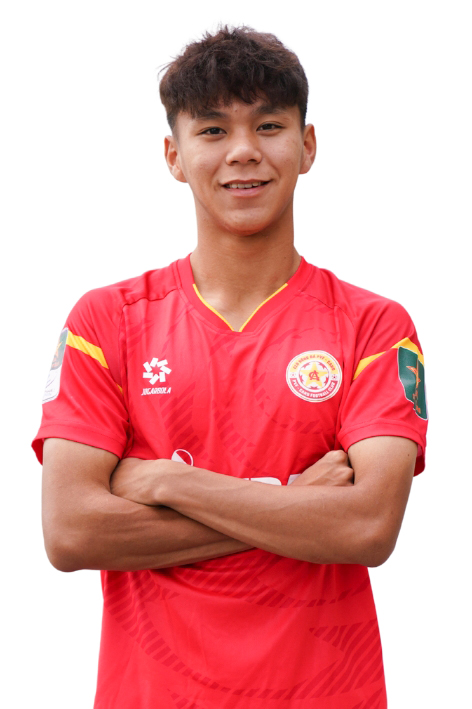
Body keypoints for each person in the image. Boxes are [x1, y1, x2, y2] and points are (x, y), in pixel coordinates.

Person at [33, 26, 428, 709]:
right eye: (213, 130)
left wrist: (168, 481)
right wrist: (295, 502)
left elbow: (366, 528)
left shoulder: (375, 327)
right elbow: (71, 532)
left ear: (308, 146)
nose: (244, 150)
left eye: (269, 125)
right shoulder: (106, 322)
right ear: (174, 155)